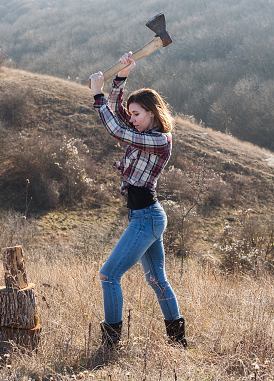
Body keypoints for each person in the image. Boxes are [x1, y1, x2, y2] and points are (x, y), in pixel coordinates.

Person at [89, 52, 187, 348]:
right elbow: (118, 114)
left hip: (147, 218)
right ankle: (178, 343)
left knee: (108, 276)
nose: (131, 118)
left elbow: (115, 127)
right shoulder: (140, 129)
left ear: (153, 113)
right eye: (131, 114)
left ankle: (110, 343)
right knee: (157, 281)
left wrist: (97, 94)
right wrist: (121, 77)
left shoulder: (159, 140)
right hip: (144, 216)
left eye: (137, 114)